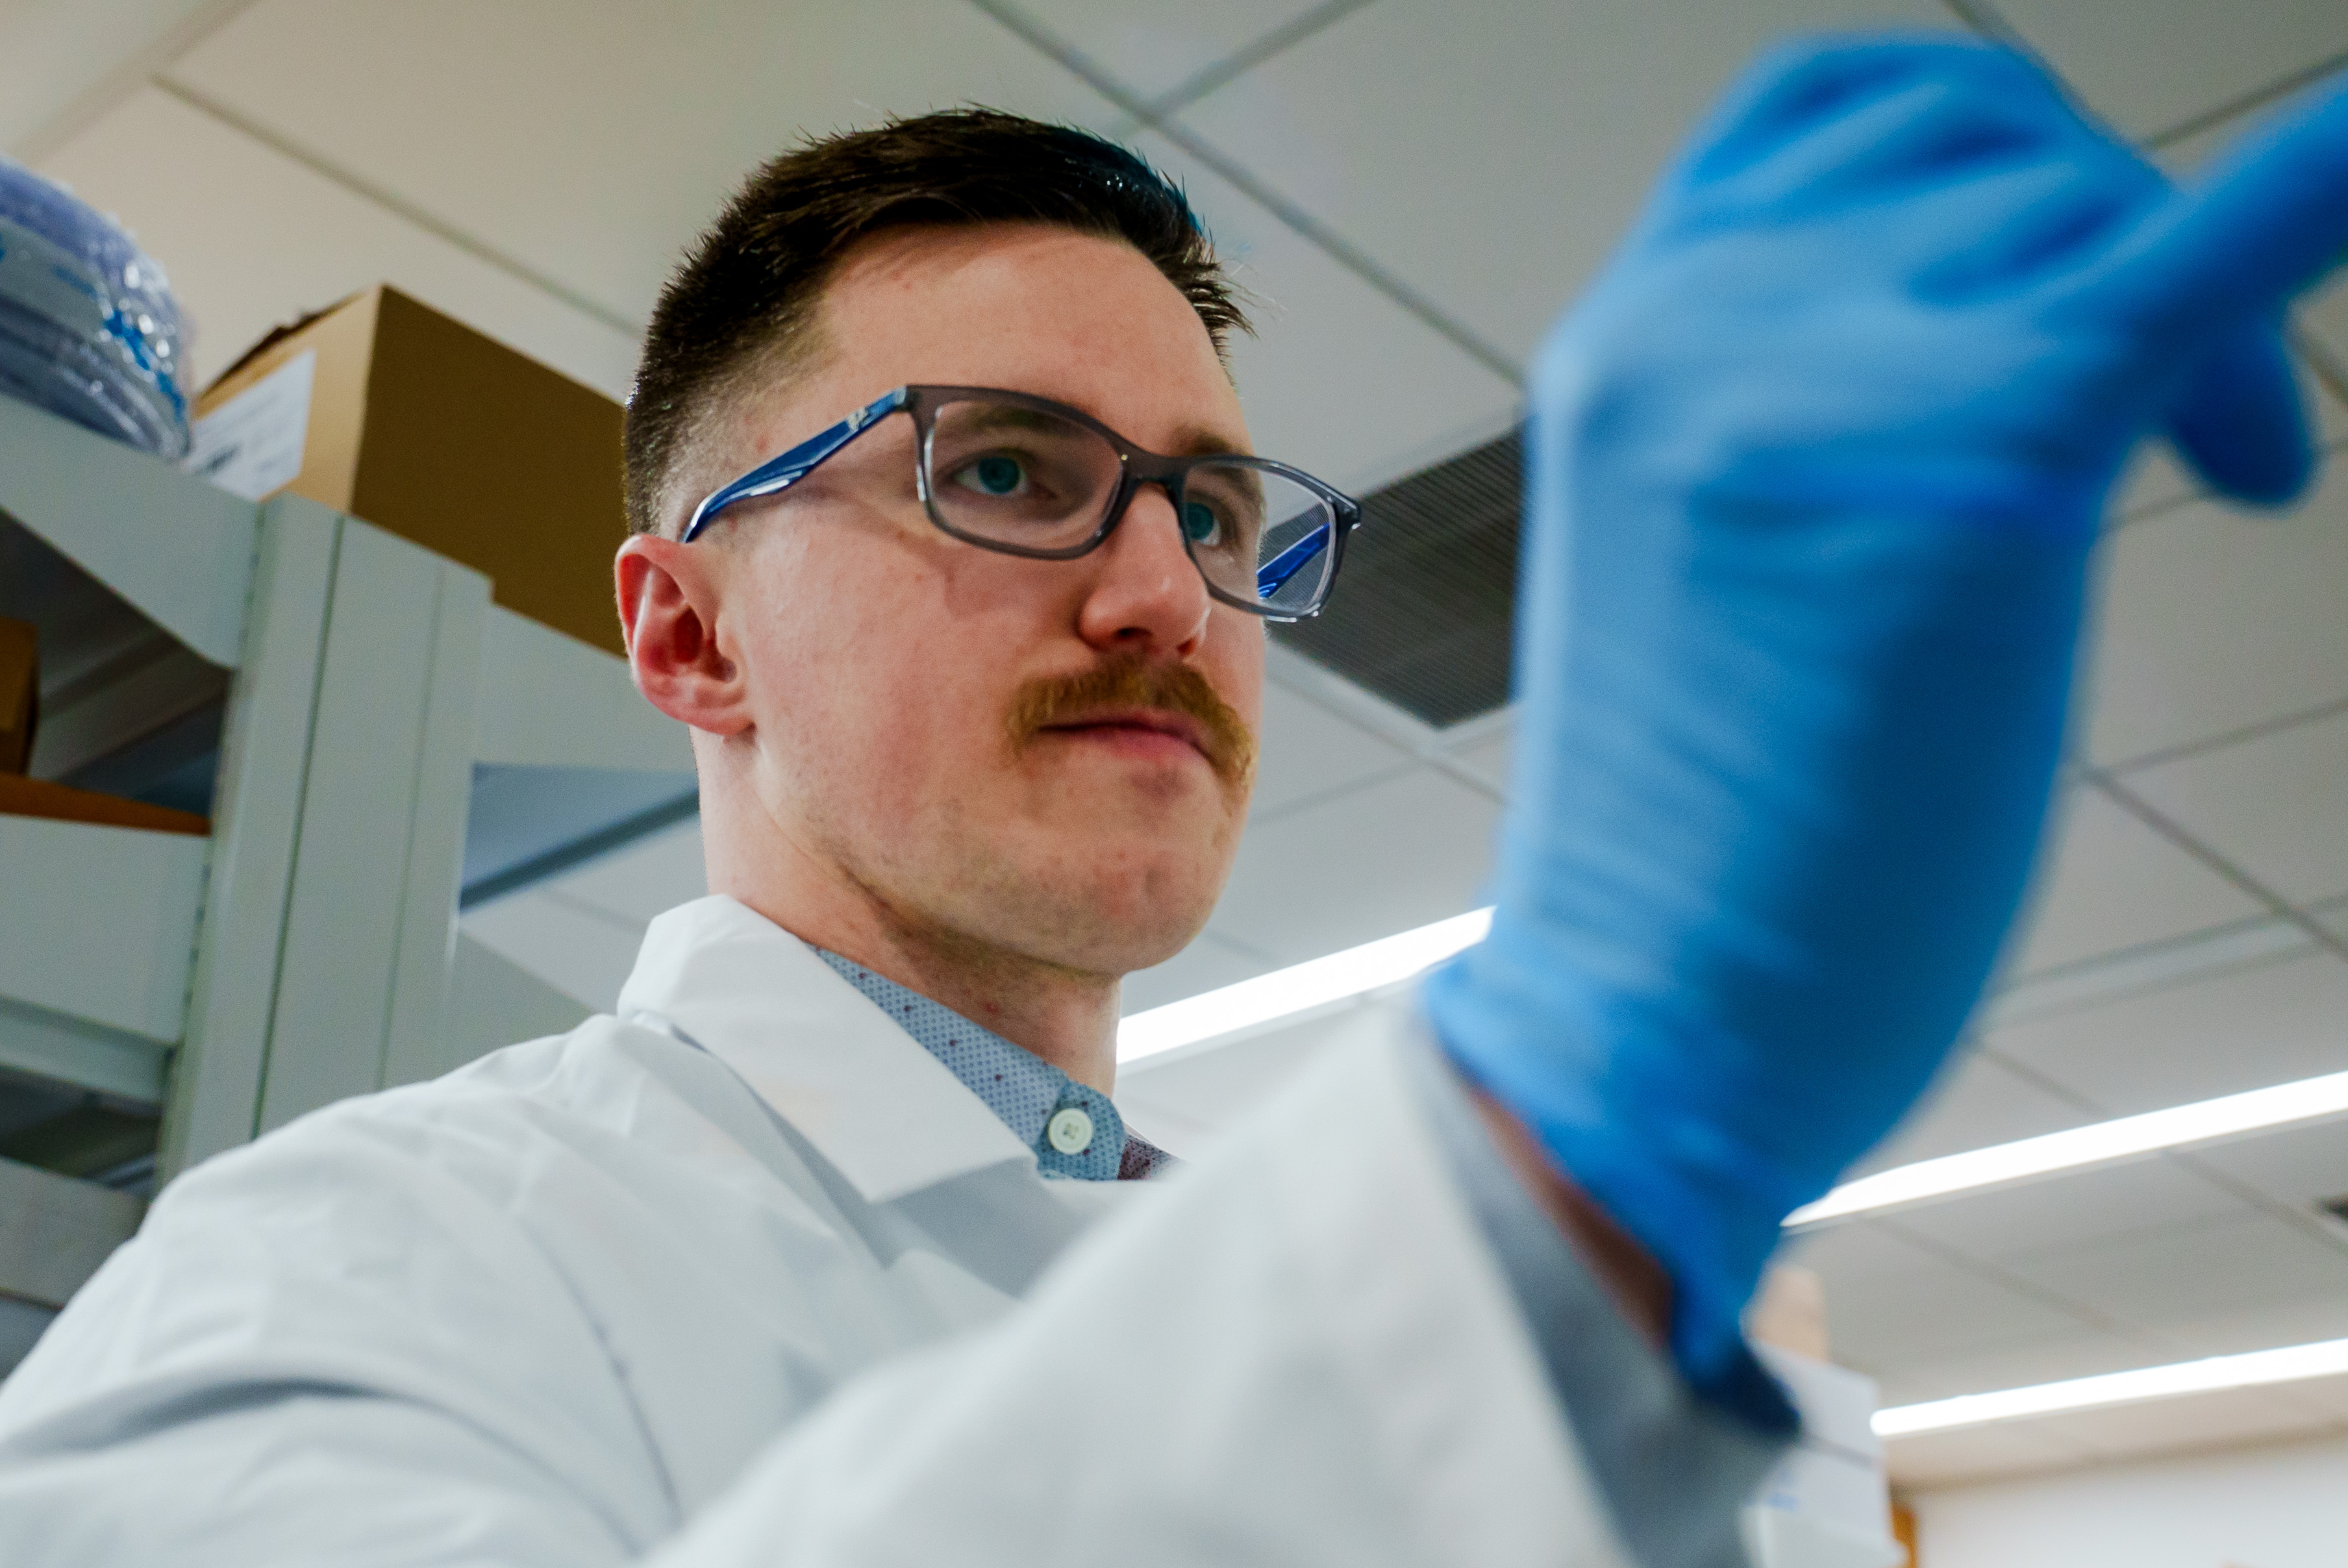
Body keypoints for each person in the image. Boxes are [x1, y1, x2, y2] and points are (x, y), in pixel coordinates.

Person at [3, 32, 2343, 1568]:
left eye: (1216, 514)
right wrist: (1571, 1151)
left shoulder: (1362, 1275)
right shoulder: (346, 1276)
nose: (1163, 593)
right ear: (687, 634)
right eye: (1008, 470)